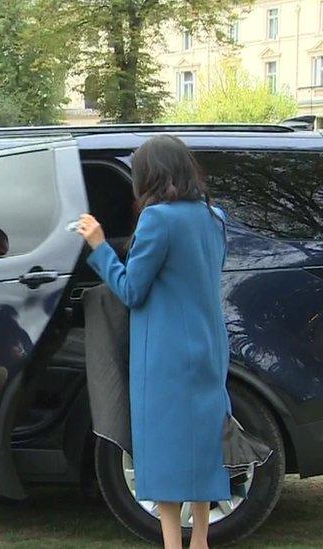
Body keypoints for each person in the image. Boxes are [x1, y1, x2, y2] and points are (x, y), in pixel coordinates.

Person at [76, 135, 230, 549]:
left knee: (163, 451)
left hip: (165, 354)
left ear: (150, 175)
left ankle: (171, 544)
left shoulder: (158, 218)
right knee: (201, 446)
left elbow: (131, 290)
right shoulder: (214, 216)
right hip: (208, 345)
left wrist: (98, 244)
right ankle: (199, 539)